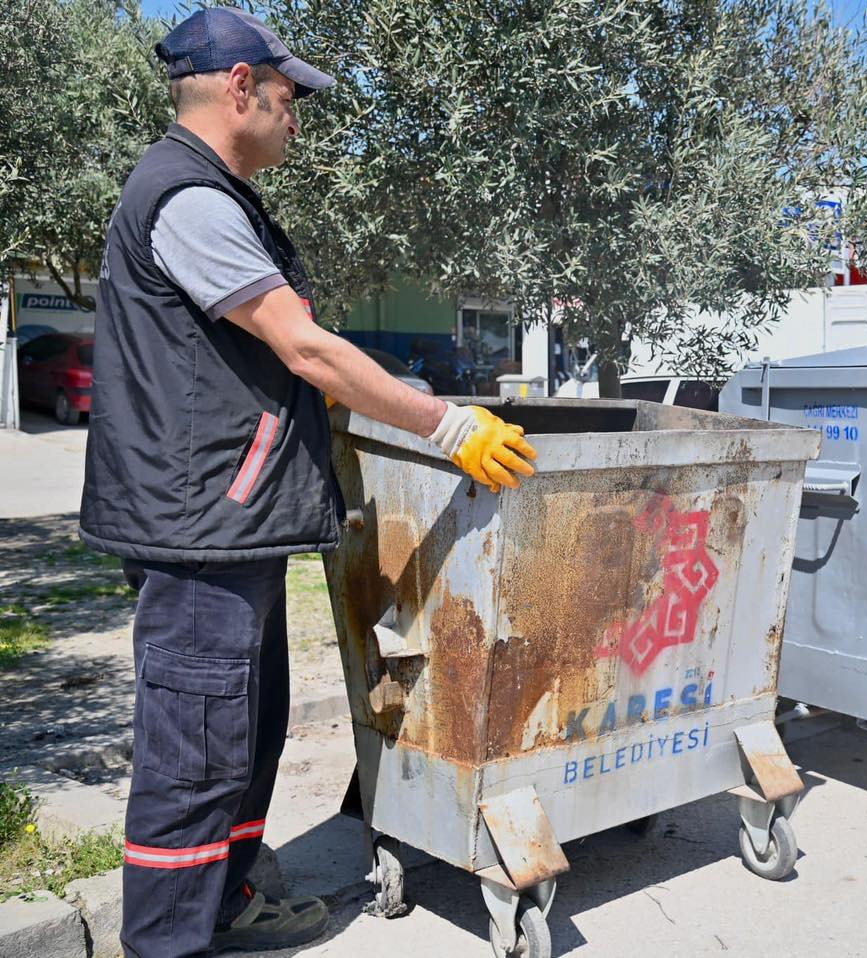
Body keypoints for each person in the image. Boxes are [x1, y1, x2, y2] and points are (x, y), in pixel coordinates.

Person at [78, 9, 537, 955]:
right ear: (240, 87)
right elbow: (302, 345)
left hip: (225, 524)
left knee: (248, 732)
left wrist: (394, 393)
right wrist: (447, 426)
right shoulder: (187, 199)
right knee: (196, 758)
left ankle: (229, 899)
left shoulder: (215, 194)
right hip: (197, 528)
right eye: (289, 100)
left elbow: (267, 364)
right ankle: (167, 943)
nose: (298, 120)